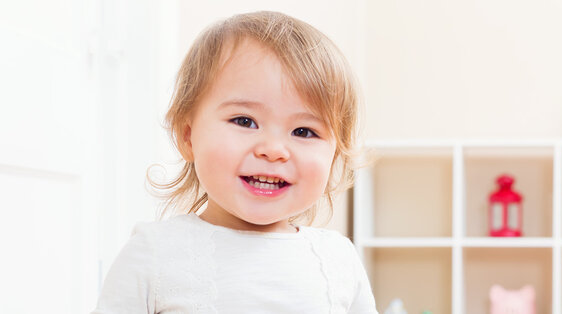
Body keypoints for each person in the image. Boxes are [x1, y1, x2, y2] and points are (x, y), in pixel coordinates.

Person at [92, 10, 377, 314]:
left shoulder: (337, 259)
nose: (273, 150)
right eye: (245, 121)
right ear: (188, 136)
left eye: (304, 131)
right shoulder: (154, 254)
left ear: (335, 154)